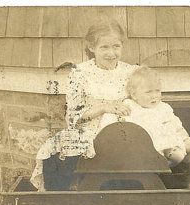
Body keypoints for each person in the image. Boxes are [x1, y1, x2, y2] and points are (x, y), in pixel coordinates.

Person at [30, 18, 139, 190]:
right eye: (104, 47)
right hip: (88, 130)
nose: (111, 53)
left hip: (123, 131)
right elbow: (73, 118)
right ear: (91, 47)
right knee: (55, 150)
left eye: (116, 46)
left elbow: (145, 103)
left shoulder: (131, 72)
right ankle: (59, 200)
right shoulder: (80, 73)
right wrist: (104, 107)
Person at [99, 66, 190, 168]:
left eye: (157, 91)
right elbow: (113, 123)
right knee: (175, 156)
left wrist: (183, 137)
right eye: (149, 92)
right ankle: (164, 166)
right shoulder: (129, 107)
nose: (154, 96)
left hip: (171, 140)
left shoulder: (164, 108)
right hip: (148, 146)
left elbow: (177, 126)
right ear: (134, 95)